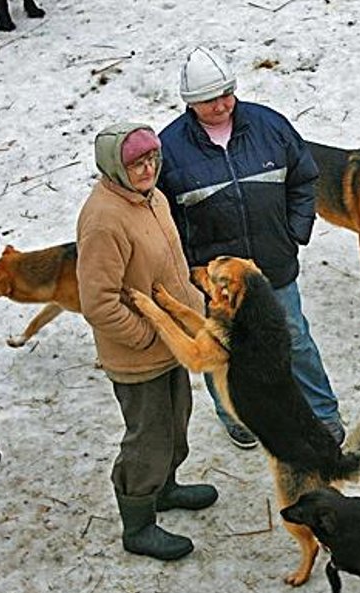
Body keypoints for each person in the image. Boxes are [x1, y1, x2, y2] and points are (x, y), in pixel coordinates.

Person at [157, 46, 345, 448]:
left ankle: (323, 413)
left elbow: (304, 178)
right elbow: (162, 218)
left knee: (294, 339)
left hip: (271, 266)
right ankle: (235, 414)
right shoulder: (169, 149)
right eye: (210, 100)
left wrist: (294, 230)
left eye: (227, 94)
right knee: (221, 350)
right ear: (190, 103)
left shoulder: (269, 126)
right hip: (214, 282)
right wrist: (190, 269)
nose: (222, 105)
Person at [76, 123, 218, 561]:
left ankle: (165, 487)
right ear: (115, 166)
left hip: (173, 343)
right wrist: (145, 336)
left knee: (176, 424)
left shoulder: (152, 199)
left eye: (152, 158)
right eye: (137, 162)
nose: (148, 168)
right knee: (148, 438)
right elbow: (98, 303)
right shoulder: (103, 220)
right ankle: (138, 523)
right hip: (140, 355)